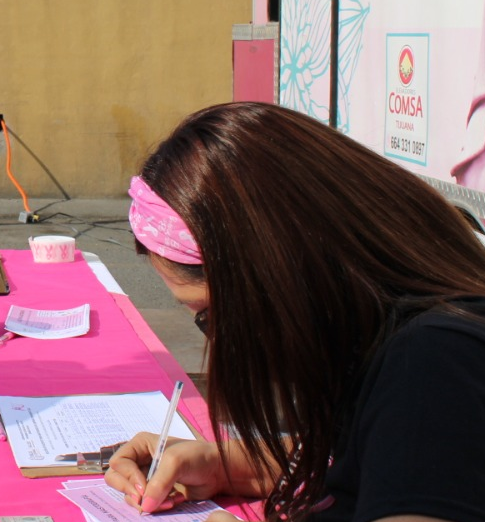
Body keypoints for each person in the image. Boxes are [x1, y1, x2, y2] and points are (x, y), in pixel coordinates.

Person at [105, 102, 485, 522]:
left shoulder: (433, 364)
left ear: (281, 275)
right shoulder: (383, 334)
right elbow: (374, 454)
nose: (219, 339)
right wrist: (225, 465)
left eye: (210, 316)